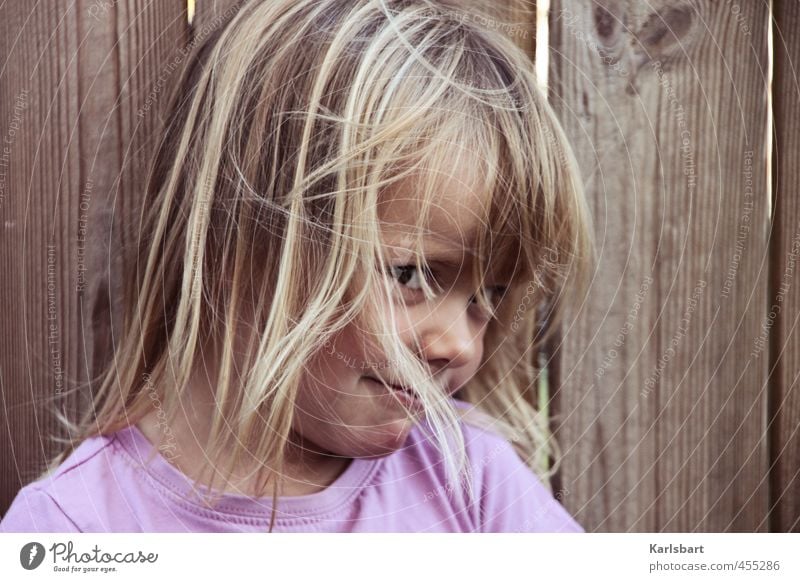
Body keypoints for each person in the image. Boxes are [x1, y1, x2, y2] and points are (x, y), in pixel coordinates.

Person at [1, 0, 594, 532]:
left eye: (483, 296)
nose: (460, 345)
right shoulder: (75, 529)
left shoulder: (468, 478)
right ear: (240, 246)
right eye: (410, 275)